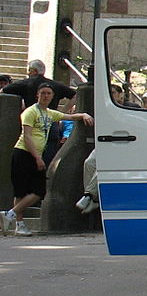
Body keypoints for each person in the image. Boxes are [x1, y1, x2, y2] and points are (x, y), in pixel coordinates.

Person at [4, 83, 94, 236]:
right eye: (43, 93)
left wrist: (84, 115)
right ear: (37, 95)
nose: (46, 96)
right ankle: (16, 221)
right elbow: (27, 136)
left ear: (53, 96)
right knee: (22, 191)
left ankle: (11, 215)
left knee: (38, 191)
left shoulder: (49, 113)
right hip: (23, 153)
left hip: (36, 154)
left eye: (49, 93)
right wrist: (37, 157)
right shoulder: (30, 112)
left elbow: (69, 116)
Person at [2, 59, 76, 110]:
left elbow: (3, 91)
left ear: (34, 71)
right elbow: (75, 96)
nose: (27, 73)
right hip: (51, 120)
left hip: (31, 120)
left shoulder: (24, 83)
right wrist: (62, 112)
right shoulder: (57, 85)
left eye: (29, 70)